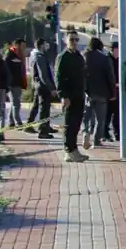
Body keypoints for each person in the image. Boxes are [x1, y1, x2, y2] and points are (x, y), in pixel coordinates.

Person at [54, 31, 88, 162]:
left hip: (79, 94)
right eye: (72, 40)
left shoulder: (79, 56)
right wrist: (63, 95)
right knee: (69, 124)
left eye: (76, 40)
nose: (74, 42)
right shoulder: (63, 57)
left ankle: (74, 150)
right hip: (69, 95)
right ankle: (68, 150)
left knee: (76, 124)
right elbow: (59, 77)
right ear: (66, 41)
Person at [82, 36, 115, 148]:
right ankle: (97, 139)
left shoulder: (84, 57)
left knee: (86, 117)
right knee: (100, 119)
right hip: (102, 93)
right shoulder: (105, 58)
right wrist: (113, 93)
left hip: (88, 92)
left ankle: (85, 133)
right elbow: (111, 77)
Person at [29, 38, 57, 138]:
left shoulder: (35, 55)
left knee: (38, 106)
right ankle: (43, 130)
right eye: (45, 44)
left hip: (38, 85)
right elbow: (43, 75)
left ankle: (44, 126)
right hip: (43, 86)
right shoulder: (39, 57)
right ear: (41, 46)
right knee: (44, 109)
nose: (47, 46)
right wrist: (51, 88)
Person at [3, 39, 28, 128]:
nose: (24, 48)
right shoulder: (10, 54)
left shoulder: (20, 55)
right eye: (22, 46)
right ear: (17, 45)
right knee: (16, 103)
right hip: (12, 83)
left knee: (14, 103)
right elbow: (5, 68)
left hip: (18, 82)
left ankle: (10, 121)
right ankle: (18, 122)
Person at [106, 41, 121, 140]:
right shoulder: (107, 60)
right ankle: (105, 133)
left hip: (118, 90)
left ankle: (117, 133)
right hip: (109, 90)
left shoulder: (120, 60)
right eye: (117, 49)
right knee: (107, 113)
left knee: (117, 114)